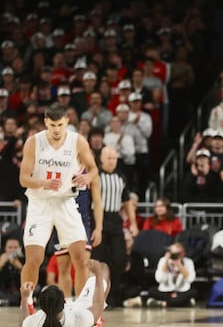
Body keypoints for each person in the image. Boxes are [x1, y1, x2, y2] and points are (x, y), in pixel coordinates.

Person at [19, 103, 99, 309]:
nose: (56, 130)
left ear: (67, 122)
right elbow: (23, 179)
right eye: (52, 125)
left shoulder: (77, 141)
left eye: (60, 125)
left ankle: (83, 308)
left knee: (81, 259)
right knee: (34, 258)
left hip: (65, 201)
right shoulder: (33, 142)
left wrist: (86, 177)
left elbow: (93, 169)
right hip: (40, 203)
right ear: (46, 122)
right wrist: (42, 183)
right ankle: (27, 304)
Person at [93, 145, 138, 307]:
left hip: (115, 219)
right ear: (101, 159)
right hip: (97, 218)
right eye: (109, 158)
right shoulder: (95, 175)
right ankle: (96, 294)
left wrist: (133, 223)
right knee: (98, 258)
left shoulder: (121, 177)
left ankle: (113, 290)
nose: (112, 161)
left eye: (114, 158)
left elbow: (126, 202)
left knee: (120, 257)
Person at [20, 259, 110, 327]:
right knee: (103, 268)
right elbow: (98, 304)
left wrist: (25, 298)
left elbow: (23, 326)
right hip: (81, 311)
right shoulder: (80, 318)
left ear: (41, 308)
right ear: (65, 303)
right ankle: (96, 323)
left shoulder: (36, 322)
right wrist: (98, 273)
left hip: (73, 315)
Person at [53, 170, 103, 301]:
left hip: (82, 222)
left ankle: (81, 305)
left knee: (83, 264)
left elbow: (97, 202)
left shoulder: (90, 173)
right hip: (61, 221)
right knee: (63, 268)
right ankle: (67, 305)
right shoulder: (59, 166)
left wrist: (99, 228)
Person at [146, 242, 197, 307]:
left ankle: (162, 304)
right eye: (172, 253)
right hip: (166, 291)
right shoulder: (163, 260)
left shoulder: (188, 262)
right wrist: (166, 262)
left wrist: (179, 265)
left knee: (194, 292)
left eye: (177, 254)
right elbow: (159, 279)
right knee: (151, 291)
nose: (174, 256)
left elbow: (190, 279)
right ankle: (183, 303)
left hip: (181, 291)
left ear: (183, 253)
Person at [0, 237, 24, 307]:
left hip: (21, 291)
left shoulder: (24, 259)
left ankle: (6, 301)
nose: (12, 250)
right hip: (4, 290)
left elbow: (29, 280)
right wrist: (0, 266)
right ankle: (14, 301)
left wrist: (20, 268)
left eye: (15, 248)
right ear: (5, 249)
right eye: (10, 247)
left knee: (37, 288)